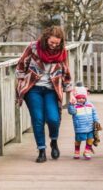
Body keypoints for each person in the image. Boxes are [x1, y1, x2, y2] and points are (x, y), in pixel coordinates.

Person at [15, 25, 72, 163]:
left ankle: (54, 141)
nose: (53, 46)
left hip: (52, 89)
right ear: (46, 39)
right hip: (33, 88)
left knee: (53, 118)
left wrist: (69, 89)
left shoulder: (62, 53)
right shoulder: (34, 47)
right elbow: (21, 65)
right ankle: (41, 150)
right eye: (51, 42)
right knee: (38, 119)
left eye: (57, 44)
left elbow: (66, 72)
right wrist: (21, 84)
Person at [67, 85, 101, 160]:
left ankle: (87, 151)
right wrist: (71, 104)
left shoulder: (90, 105)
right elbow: (71, 112)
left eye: (83, 98)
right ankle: (77, 151)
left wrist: (96, 122)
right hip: (80, 127)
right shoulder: (75, 106)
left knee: (90, 139)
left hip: (90, 126)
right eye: (79, 98)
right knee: (78, 140)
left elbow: (94, 113)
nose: (81, 100)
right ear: (76, 98)